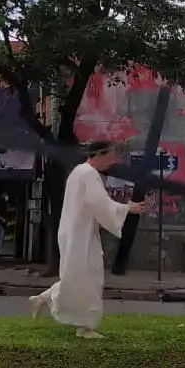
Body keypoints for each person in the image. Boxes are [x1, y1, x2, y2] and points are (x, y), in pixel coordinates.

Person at [29, 139, 144, 339]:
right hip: (79, 234)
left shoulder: (78, 172)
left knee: (78, 276)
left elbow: (90, 205)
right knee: (90, 278)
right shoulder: (89, 174)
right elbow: (100, 204)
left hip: (75, 232)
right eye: (110, 156)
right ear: (98, 154)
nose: (112, 161)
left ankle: (44, 298)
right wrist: (128, 208)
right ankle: (85, 327)